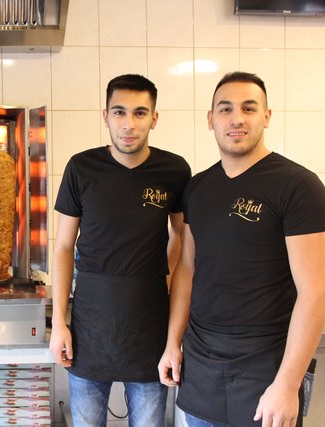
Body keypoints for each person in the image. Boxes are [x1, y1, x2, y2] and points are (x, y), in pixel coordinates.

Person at [158, 71, 325, 427]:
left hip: (266, 365)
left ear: (266, 116)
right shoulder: (198, 188)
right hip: (201, 363)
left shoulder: (298, 186)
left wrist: (286, 385)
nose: (237, 118)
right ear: (210, 120)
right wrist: (173, 342)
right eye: (225, 109)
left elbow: (315, 291)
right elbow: (187, 270)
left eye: (249, 108)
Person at [49, 74, 191, 427]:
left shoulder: (174, 170)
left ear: (154, 118)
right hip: (89, 325)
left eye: (140, 113)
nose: (129, 124)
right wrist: (58, 323)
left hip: (150, 327)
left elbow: (183, 236)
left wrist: (164, 272)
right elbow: (64, 247)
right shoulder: (81, 168)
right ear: (105, 115)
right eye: (119, 112)